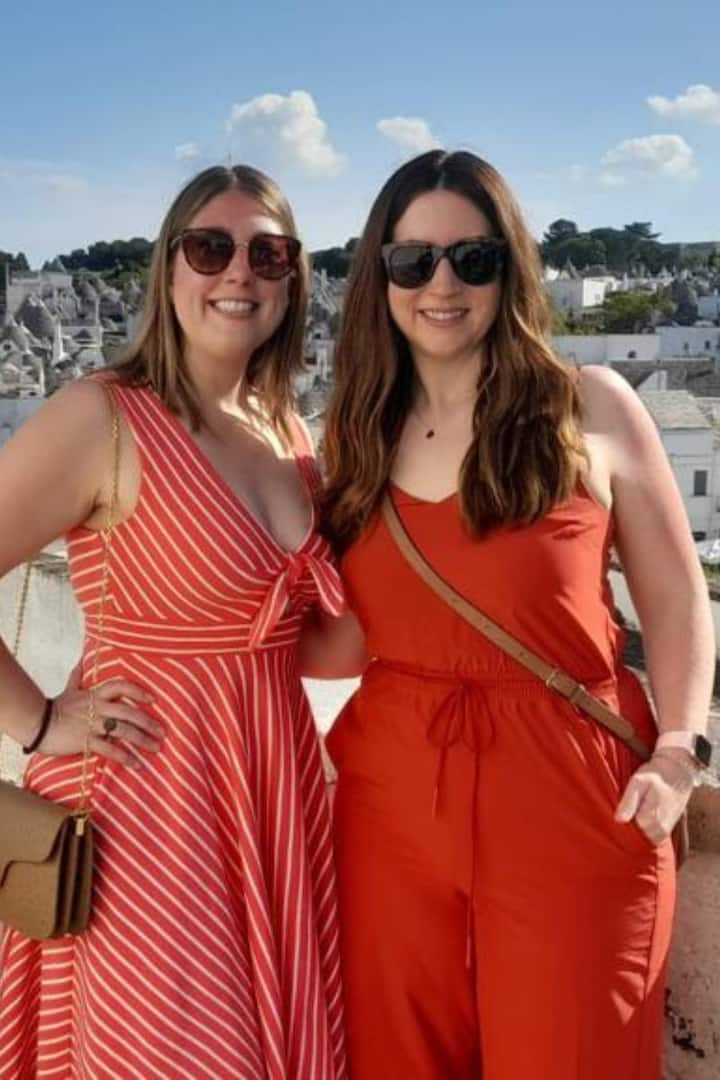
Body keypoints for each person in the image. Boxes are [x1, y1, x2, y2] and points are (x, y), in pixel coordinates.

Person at [301, 150, 715, 1079]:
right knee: (396, 1060)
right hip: (391, 800)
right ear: (379, 277)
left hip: (570, 792)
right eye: (414, 262)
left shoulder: (588, 406)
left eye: (473, 259)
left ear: (510, 267)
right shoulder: (357, 433)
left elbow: (675, 593)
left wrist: (679, 752)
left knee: (572, 1056)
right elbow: (358, 636)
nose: (441, 285)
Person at [0, 164, 347, 1079]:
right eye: (210, 247)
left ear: (293, 279)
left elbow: (290, 638)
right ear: (168, 267)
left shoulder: (286, 431)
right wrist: (38, 721)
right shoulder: (103, 416)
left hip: (273, 800)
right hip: (149, 806)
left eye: (268, 254)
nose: (239, 273)